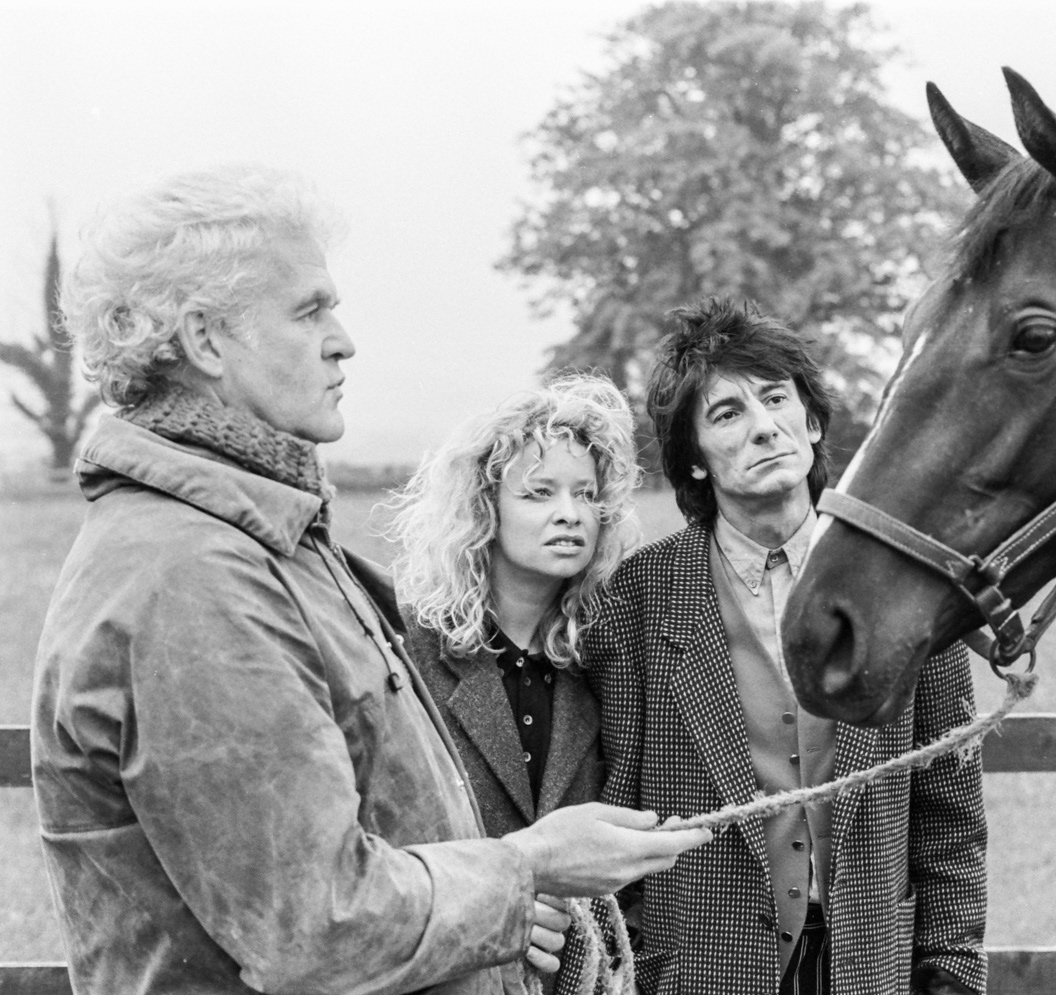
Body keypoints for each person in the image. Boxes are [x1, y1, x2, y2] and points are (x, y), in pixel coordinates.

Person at [29, 164, 708, 995]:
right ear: (206, 340)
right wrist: (527, 864)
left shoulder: (264, 539)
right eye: (310, 308)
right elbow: (317, 928)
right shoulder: (191, 578)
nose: (343, 338)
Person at [585, 297, 988, 995]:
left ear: (810, 419)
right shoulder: (637, 597)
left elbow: (950, 817)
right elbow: (614, 811)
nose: (764, 426)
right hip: (699, 974)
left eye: (776, 398)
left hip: (873, 965)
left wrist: (952, 977)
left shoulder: (907, 580)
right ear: (696, 462)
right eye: (727, 413)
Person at [387, 374, 641, 994]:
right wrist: (499, 905)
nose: (570, 513)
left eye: (586, 494)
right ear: (484, 510)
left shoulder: (605, 656)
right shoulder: (406, 649)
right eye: (539, 493)